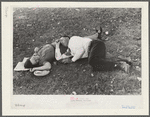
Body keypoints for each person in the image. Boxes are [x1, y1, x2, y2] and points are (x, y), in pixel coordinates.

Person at [55, 27, 132, 72]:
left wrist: (72, 60)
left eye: (62, 39)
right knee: (100, 62)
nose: (61, 41)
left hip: (94, 45)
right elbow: (58, 58)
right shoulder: (71, 51)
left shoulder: (72, 40)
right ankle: (126, 59)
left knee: (92, 61)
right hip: (94, 50)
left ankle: (119, 65)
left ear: (67, 38)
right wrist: (57, 46)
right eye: (60, 42)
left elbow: (81, 50)